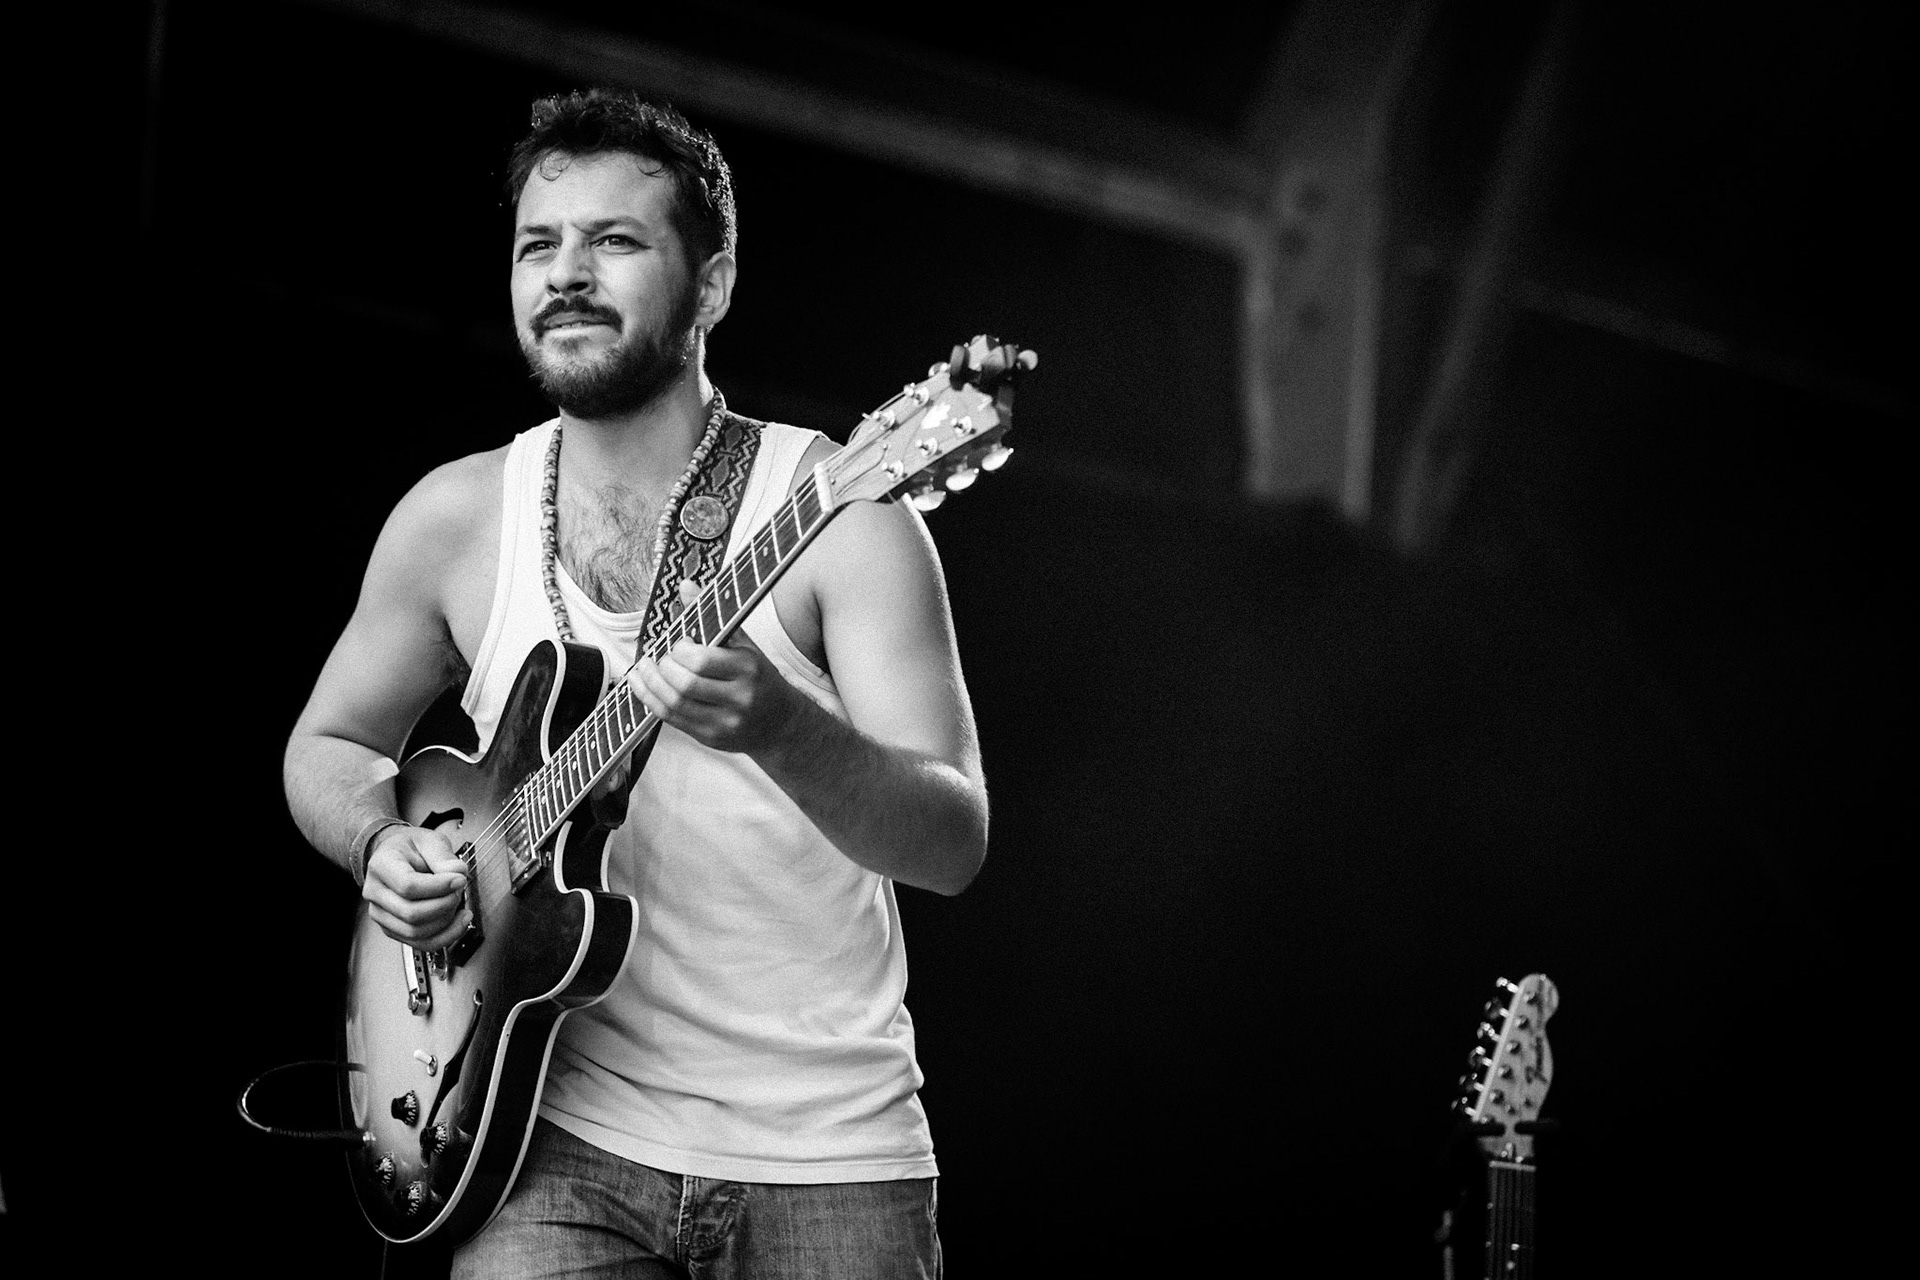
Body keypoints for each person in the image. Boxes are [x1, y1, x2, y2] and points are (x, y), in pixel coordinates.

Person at [283, 88, 986, 1279]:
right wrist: (376, 845)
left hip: (827, 1155)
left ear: (710, 285)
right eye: (536, 245)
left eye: (614, 241)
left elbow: (952, 838)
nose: (566, 274)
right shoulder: (456, 517)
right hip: (542, 1134)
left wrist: (781, 726)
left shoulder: (841, 513)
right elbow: (330, 743)